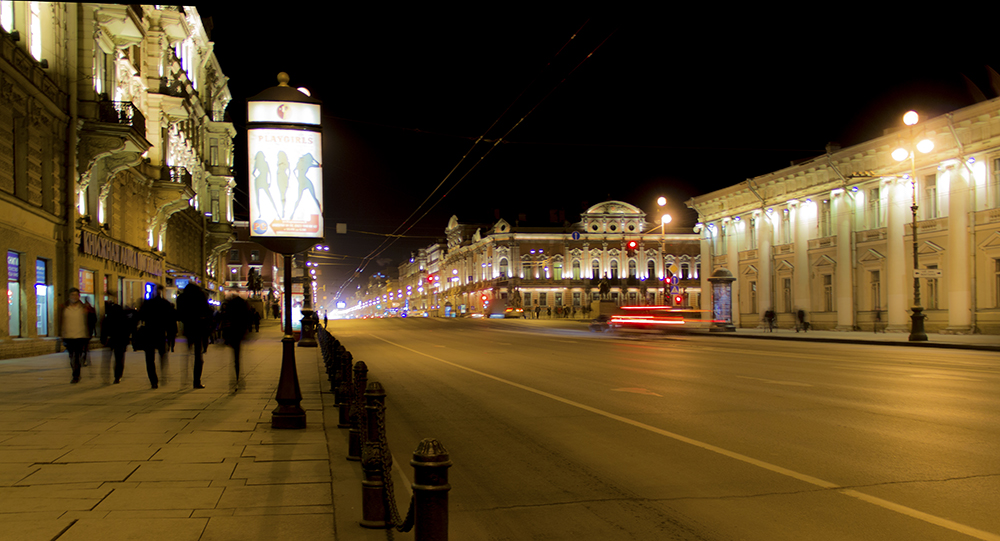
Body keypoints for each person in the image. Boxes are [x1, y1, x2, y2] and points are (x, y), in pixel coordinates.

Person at [138, 285, 173, 389]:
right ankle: (163, 374)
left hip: (149, 333)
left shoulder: (147, 303)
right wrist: (171, 335)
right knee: (162, 355)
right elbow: (170, 320)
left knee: (149, 359)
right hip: (160, 333)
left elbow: (140, 316)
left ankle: (154, 381)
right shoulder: (165, 304)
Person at [177, 283, 211, 389]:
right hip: (199, 327)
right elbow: (207, 311)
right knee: (198, 355)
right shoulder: (200, 295)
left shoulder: (182, 297)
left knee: (188, 353)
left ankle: (185, 378)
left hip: (188, 327)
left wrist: (186, 320)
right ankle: (196, 381)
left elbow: (179, 314)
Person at [60, 288, 95, 384]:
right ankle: (75, 371)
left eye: (76, 295)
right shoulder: (64, 308)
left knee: (76, 356)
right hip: (68, 336)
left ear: (79, 296)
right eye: (72, 295)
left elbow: (91, 321)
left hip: (80, 336)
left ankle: (76, 376)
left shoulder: (84, 308)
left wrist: (89, 334)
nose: (74, 297)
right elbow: (60, 321)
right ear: (69, 296)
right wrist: (61, 333)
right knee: (72, 356)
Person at [100, 295, 135, 384]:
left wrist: (103, 339)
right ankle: (117, 376)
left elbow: (104, 329)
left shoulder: (108, 318)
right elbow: (129, 329)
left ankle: (106, 375)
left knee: (107, 358)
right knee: (119, 359)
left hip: (111, 340)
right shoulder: (124, 318)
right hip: (121, 341)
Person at [222, 295, 252, 381]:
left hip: (232, 333)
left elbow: (225, 320)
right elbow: (248, 320)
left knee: (235, 356)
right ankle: (237, 375)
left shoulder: (229, 309)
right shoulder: (242, 309)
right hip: (239, 333)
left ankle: (236, 375)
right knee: (237, 356)